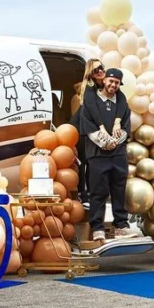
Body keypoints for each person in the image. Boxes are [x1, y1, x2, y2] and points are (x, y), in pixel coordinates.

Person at [79, 67, 139, 242]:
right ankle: (97, 228)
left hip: (118, 155)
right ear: (104, 80)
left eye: (117, 83)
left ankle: (121, 226)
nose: (113, 85)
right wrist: (105, 142)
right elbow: (88, 126)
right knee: (98, 191)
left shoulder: (122, 104)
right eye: (111, 81)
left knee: (119, 191)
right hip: (97, 154)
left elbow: (126, 128)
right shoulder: (91, 102)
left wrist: (115, 142)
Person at [68, 59, 105, 204]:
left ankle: (88, 193)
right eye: (96, 70)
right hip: (81, 128)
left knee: (90, 161)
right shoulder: (90, 87)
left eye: (101, 67)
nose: (100, 71)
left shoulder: (102, 86)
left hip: (89, 127)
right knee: (85, 161)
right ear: (91, 73)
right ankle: (83, 194)